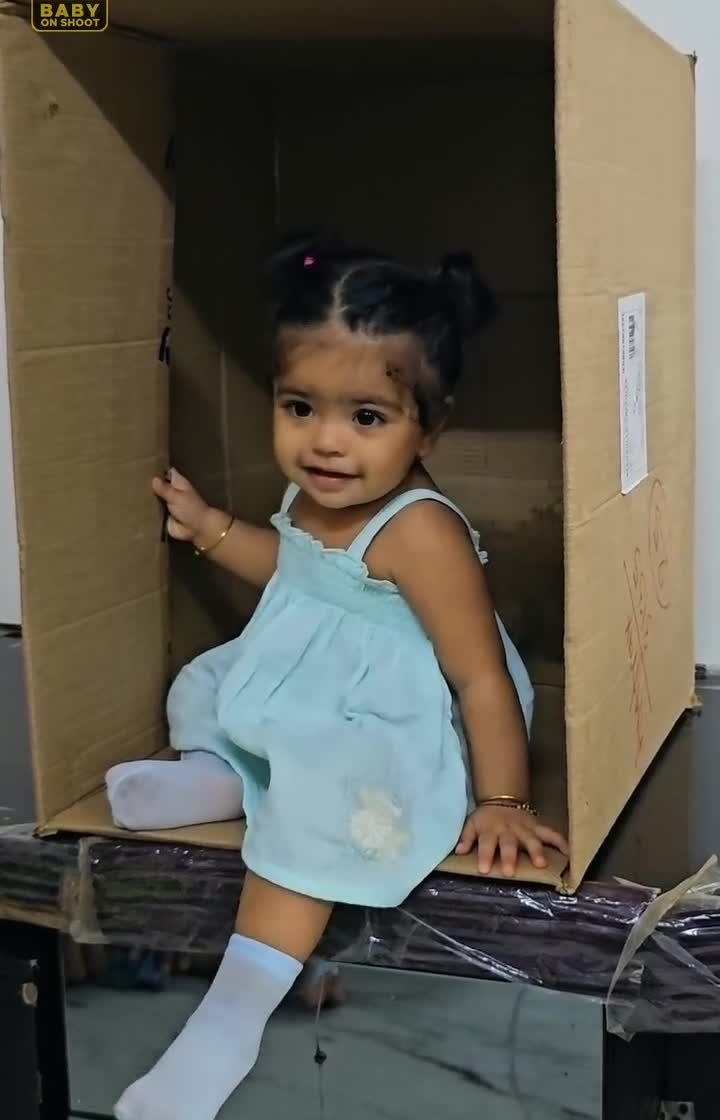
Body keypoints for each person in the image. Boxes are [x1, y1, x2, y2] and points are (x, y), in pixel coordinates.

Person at [111, 235, 568, 1120]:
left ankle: (227, 1024)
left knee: (327, 803)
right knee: (207, 685)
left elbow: (479, 676)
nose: (324, 442)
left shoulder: (421, 531)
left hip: (397, 712)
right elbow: (294, 571)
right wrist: (210, 528)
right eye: (299, 407)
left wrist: (504, 801)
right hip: (313, 677)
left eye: (366, 417)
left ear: (429, 428)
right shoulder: (315, 491)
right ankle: (220, 777)